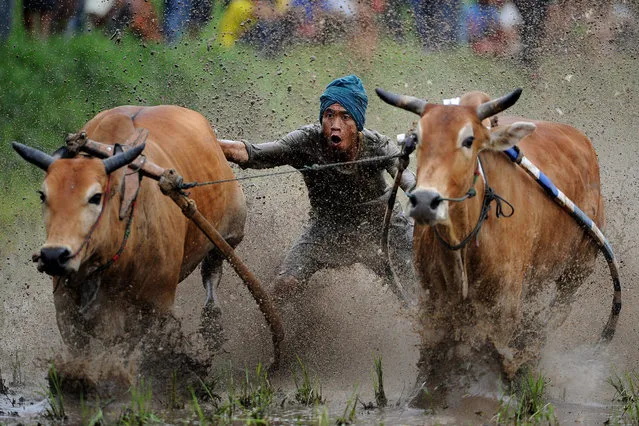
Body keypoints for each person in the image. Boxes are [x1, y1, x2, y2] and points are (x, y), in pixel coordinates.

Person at [219, 75, 416, 300]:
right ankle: (278, 332)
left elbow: (409, 179)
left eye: (345, 117)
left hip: (382, 227)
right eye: (329, 115)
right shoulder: (306, 141)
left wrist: (423, 196)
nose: (335, 125)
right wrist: (206, 143)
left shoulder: (378, 145)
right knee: (284, 284)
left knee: (418, 285)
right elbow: (252, 153)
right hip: (328, 228)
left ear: (357, 123)